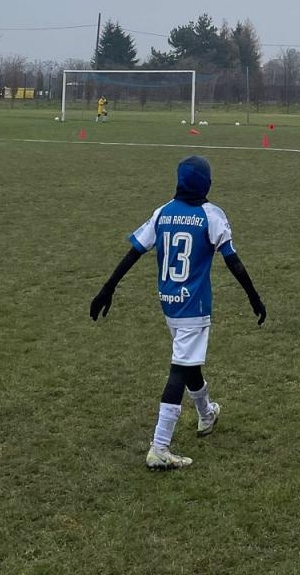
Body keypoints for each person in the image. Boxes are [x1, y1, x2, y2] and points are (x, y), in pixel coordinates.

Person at [89, 155, 267, 470]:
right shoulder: (211, 215)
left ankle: (206, 415)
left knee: (190, 365)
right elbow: (233, 261)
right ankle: (159, 448)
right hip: (194, 307)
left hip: (169, 303)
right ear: (207, 184)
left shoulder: (162, 213)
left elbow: (134, 253)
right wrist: (254, 297)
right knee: (179, 370)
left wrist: (108, 288)